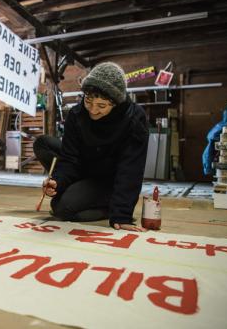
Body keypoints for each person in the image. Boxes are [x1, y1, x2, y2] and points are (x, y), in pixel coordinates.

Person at [34, 62, 149, 232]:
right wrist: (57, 181)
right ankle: (73, 189)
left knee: (62, 208)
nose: (93, 110)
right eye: (89, 101)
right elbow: (69, 158)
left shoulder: (133, 119)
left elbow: (130, 169)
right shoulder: (77, 114)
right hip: (85, 167)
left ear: (115, 103)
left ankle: (108, 206)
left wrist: (121, 214)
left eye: (101, 106)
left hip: (108, 179)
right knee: (43, 144)